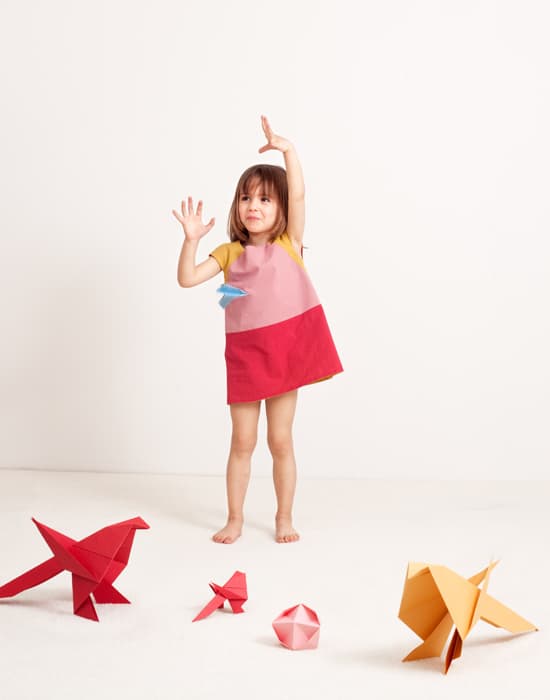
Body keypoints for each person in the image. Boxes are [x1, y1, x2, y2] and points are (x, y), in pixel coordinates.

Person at [173, 116, 343, 544]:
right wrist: (191, 240)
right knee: (242, 442)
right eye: (247, 197)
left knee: (280, 441)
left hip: (284, 357)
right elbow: (188, 279)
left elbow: (299, 194)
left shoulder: (289, 244)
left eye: (266, 199)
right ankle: (235, 519)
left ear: (281, 209)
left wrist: (288, 151)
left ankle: (284, 518)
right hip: (247, 359)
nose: (254, 206)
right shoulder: (229, 252)